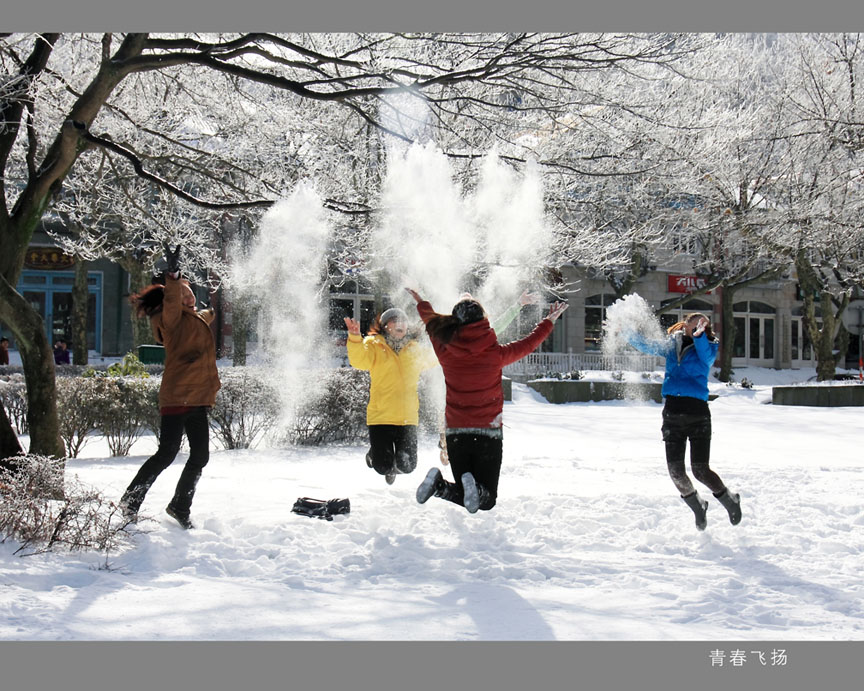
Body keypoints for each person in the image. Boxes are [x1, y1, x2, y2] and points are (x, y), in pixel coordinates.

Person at [409, 288, 568, 514]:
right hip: (488, 433)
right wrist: (549, 321)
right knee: (487, 499)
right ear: (484, 320)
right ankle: (439, 487)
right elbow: (529, 343)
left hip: (456, 433)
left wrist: (420, 302)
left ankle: (439, 486)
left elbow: (431, 323)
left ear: (455, 322)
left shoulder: (445, 351)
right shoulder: (496, 354)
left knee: (469, 495)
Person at [119, 245, 221, 529]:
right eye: (183, 292)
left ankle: (179, 505)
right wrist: (172, 276)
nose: (188, 295)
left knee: (200, 456)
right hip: (177, 398)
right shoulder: (171, 319)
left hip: (197, 399)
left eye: (190, 292)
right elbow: (174, 301)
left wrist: (217, 305)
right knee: (166, 454)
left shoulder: (195, 318)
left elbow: (206, 315)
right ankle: (131, 500)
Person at [627, 312, 741, 531]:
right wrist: (623, 331)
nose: (697, 326)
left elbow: (706, 358)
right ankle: (697, 504)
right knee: (676, 471)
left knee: (700, 470)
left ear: (706, 327)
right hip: (672, 411)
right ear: (685, 324)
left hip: (697, 412)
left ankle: (729, 500)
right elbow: (648, 346)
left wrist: (699, 336)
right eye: (693, 323)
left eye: (702, 324)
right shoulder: (672, 345)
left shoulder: (708, 345)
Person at [344, 308, 438, 485]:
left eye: (403, 321)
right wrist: (355, 338)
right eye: (395, 321)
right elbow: (358, 360)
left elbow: (439, 357)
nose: (400, 324)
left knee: (408, 466)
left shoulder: (414, 350)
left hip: (407, 417)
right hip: (381, 416)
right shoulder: (374, 346)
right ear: (386, 326)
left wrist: (446, 338)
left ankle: (390, 463)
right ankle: (375, 455)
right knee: (382, 467)